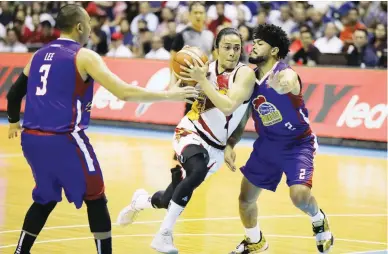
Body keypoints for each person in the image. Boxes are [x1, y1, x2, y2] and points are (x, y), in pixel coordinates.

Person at [6, 4, 198, 254]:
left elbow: (13, 94)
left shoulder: (37, 55)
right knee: (96, 197)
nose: (90, 28)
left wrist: (12, 121)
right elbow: (124, 92)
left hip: (31, 140)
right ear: (79, 27)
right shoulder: (84, 55)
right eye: (88, 23)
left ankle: (20, 251)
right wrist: (171, 95)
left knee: (45, 197)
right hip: (65, 139)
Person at [116, 27, 256, 254]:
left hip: (217, 148)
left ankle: (140, 201)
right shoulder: (202, 68)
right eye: (227, 47)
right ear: (216, 49)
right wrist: (181, 82)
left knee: (168, 198)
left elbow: (229, 106)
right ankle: (164, 235)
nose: (232, 52)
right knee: (197, 170)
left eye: (237, 48)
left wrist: (230, 143)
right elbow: (175, 89)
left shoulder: (244, 74)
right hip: (190, 131)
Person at [224, 24, 334, 254]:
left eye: (259, 43)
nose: (253, 47)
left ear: (274, 51)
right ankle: (255, 241)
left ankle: (318, 217)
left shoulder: (285, 73)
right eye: (253, 43)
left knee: (300, 196)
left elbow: (290, 81)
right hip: (267, 146)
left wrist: (284, 85)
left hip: (297, 144)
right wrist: (231, 144)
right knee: (245, 199)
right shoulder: (249, 80)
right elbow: (243, 117)